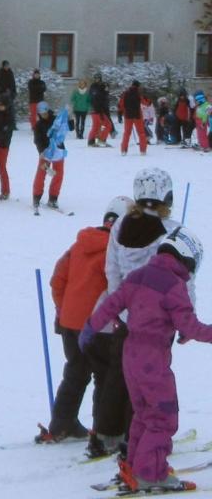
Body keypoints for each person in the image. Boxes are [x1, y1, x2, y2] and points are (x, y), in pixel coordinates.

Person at [80, 226, 208, 493]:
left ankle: (137, 466)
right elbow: (190, 324)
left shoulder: (138, 276)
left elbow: (112, 304)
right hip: (153, 361)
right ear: (185, 257)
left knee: (144, 414)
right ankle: (151, 474)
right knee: (163, 418)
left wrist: (91, 327)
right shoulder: (174, 285)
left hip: (130, 354)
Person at [36, 196, 132, 446]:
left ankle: (62, 424)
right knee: (106, 377)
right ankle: (104, 431)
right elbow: (120, 289)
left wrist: (64, 310)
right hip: (100, 327)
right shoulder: (119, 250)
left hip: (70, 323)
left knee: (76, 373)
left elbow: (58, 279)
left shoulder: (79, 245)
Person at [32, 102, 67, 212]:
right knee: (41, 174)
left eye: (45, 112)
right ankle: (36, 197)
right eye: (41, 113)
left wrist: (69, 118)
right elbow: (37, 140)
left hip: (58, 150)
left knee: (58, 174)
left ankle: (53, 198)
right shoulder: (38, 125)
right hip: (45, 152)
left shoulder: (57, 120)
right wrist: (41, 151)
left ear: (48, 111)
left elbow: (68, 127)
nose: (44, 115)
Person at [120, 80, 148, 156]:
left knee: (126, 133)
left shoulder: (125, 93)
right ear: (138, 86)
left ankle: (123, 150)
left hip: (128, 115)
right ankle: (143, 150)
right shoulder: (139, 93)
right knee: (141, 133)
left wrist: (121, 113)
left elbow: (121, 104)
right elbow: (146, 103)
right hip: (137, 115)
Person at [88, 74, 113, 147]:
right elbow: (98, 98)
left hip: (96, 110)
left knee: (96, 126)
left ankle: (91, 141)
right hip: (98, 110)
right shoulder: (95, 87)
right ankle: (101, 140)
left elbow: (104, 97)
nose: (97, 79)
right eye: (96, 78)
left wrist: (106, 90)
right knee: (108, 125)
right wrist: (104, 90)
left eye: (98, 78)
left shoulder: (96, 87)